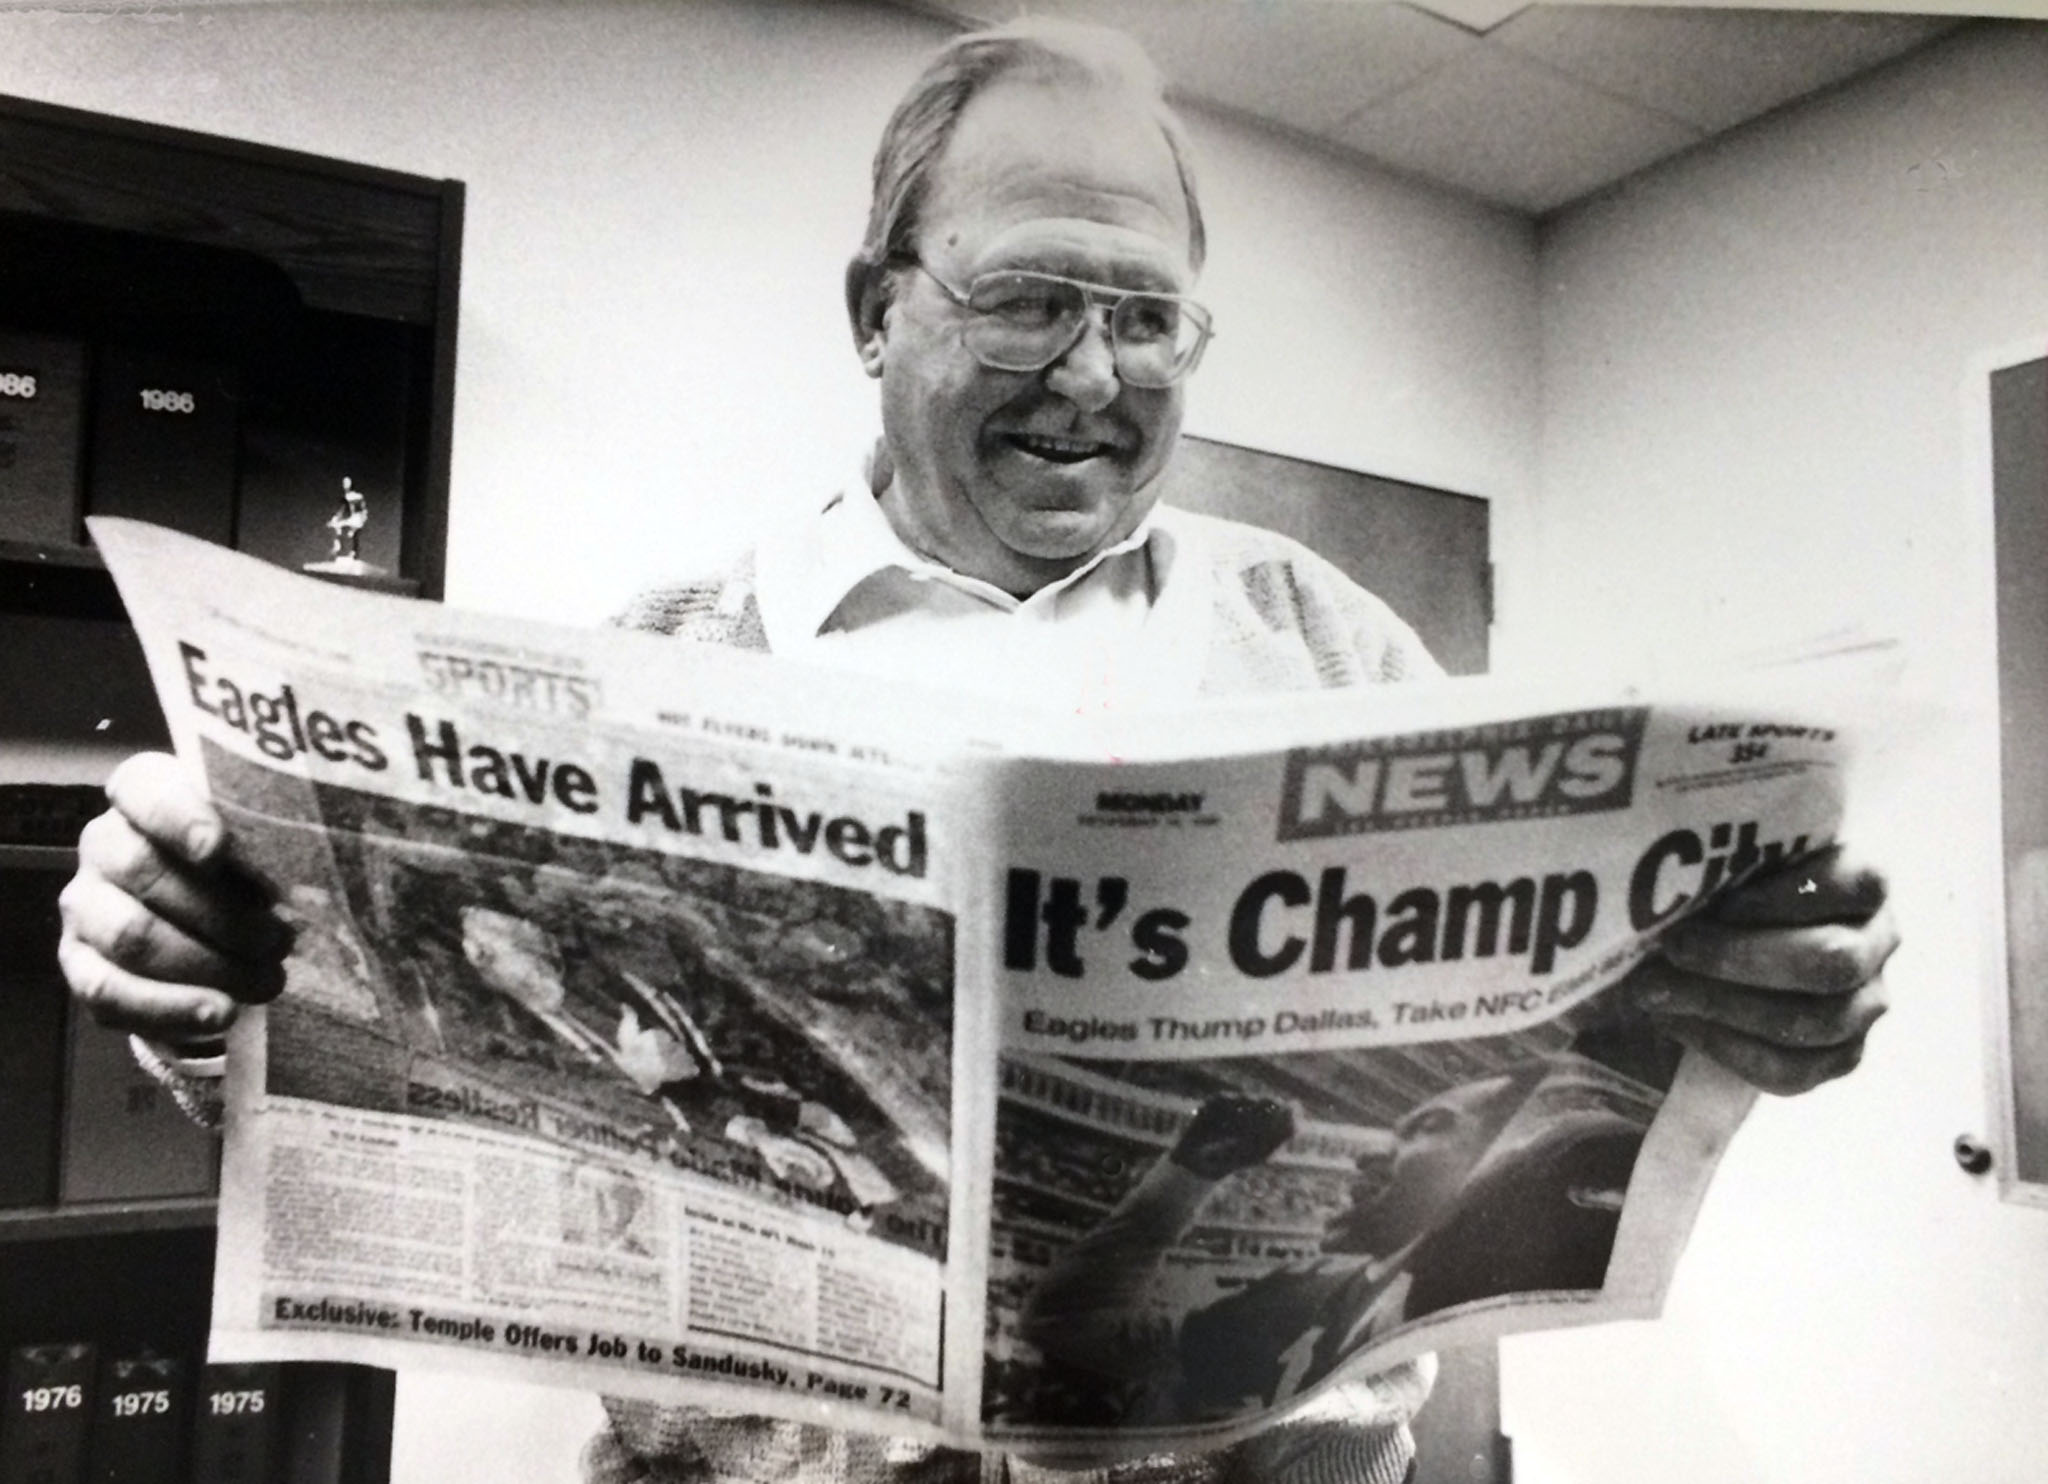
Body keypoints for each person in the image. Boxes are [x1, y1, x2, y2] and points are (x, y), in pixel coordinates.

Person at [54, 18, 1899, 1484]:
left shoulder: (1334, 642)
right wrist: (192, 974)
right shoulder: (651, 657)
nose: (1091, 377)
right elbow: (407, 1065)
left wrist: (1747, 997)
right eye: (1026, 297)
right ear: (880, 310)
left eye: (1143, 316)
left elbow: (1564, 1043)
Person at [1017, 1069, 1645, 1428]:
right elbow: (1067, 1324)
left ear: (1510, 1151)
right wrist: (1185, 1177)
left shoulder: (1559, 1294)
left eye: (1428, 1127)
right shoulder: (1302, 1292)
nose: (1369, 1153)